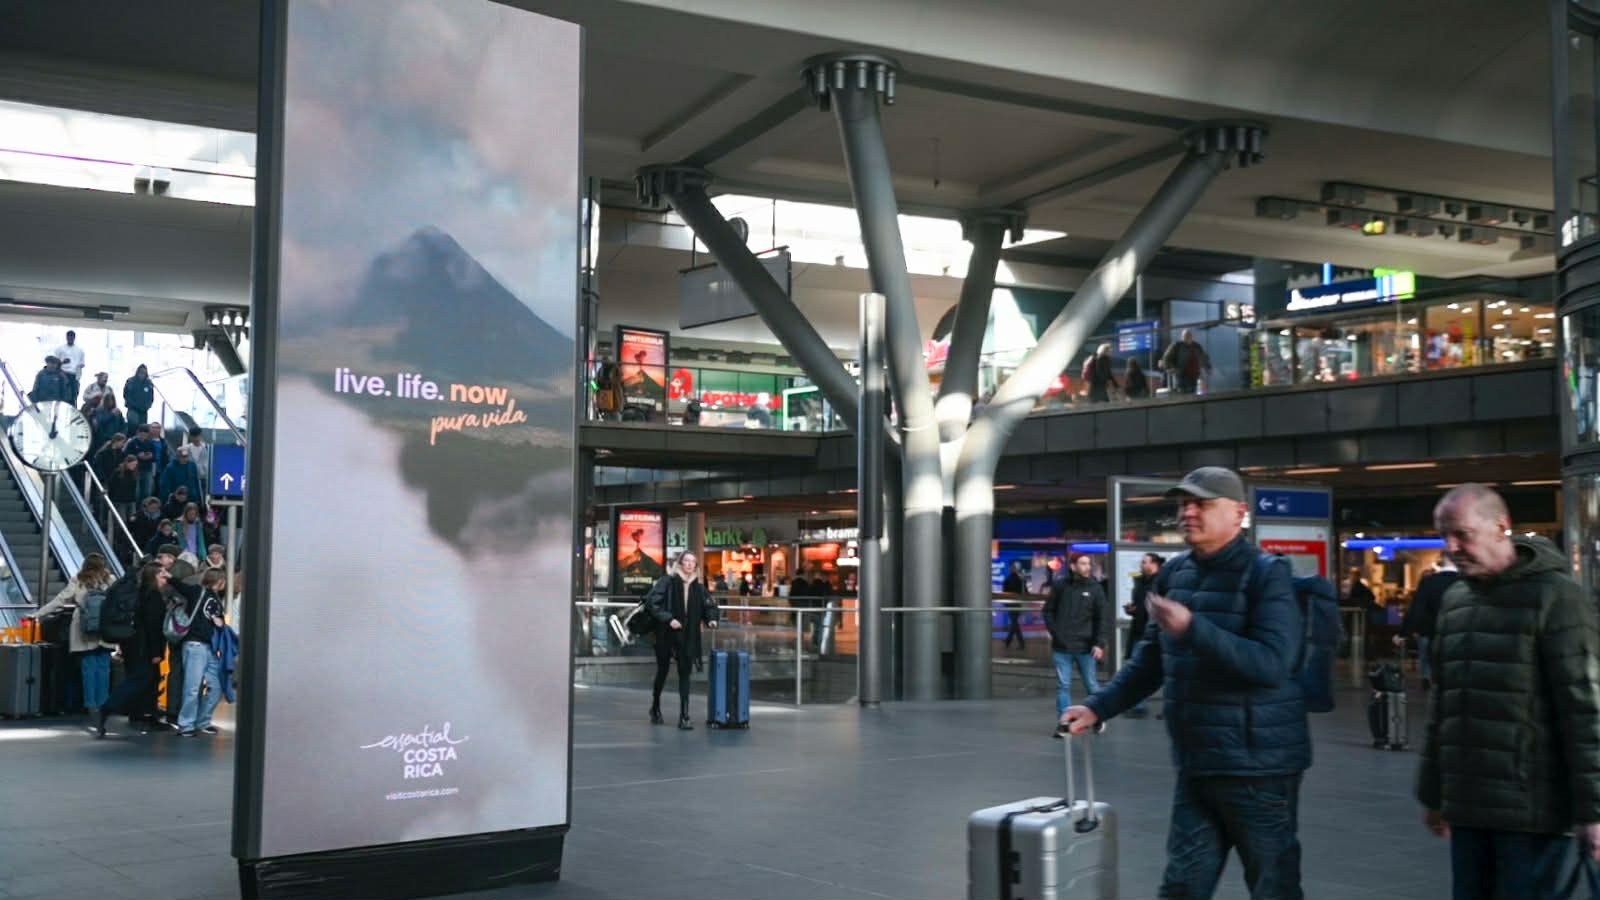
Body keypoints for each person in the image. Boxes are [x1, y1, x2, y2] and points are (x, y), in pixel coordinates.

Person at [1061, 467, 1307, 900]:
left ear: (1239, 514)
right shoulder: (1176, 575)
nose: (1188, 513)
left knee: (1273, 885)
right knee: (1182, 885)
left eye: (1203, 504)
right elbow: (1150, 661)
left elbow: (1272, 664)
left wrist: (1194, 628)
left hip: (1259, 768)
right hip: (1198, 761)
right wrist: (1098, 706)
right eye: (1182, 504)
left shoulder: (1267, 574)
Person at [1418, 484, 1600, 899]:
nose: (1451, 547)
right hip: (1468, 807)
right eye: (1443, 535)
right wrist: (1434, 792)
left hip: (1532, 812)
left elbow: (1586, 711)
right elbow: (1443, 708)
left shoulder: (1557, 598)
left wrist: (1594, 811)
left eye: (1462, 534)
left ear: (1502, 526)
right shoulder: (1457, 600)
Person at [31, 555, 118, 721]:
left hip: (84, 627)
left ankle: (90, 704)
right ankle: (104, 703)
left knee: (88, 666)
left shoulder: (78, 580)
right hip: (106, 625)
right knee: (104, 666)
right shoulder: (111, 579)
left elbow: (60, 600)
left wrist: (38, 614)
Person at [643, 552, 718, 729]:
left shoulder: (698, 587)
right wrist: (669, 619)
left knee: (685, 673)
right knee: (662, 671)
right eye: (687, 561)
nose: (690, 564)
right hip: (666, 634)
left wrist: (711, 619)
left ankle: (684, 715)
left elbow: (709, 605)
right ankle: (655, 706)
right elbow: (652, 603)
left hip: (688, 635)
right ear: (680, 563)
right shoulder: (667, 581)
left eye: (693, 561)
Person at [96, 564, 170, 738]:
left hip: (133, 644)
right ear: (155, 576)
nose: (167, 576)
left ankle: (141, 715)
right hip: (145, 648)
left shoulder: (140, 593)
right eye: (163, 574)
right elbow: (153, 627)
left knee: (142, 679)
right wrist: (156, 653)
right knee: (139, 680)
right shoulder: (153, 597)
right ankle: (108, 708)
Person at [1044, 553, 1111, 737]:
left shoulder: (1095, 588)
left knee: (1091, 684)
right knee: (1063, 685)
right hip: (1062, 646)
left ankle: (1097, 717)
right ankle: (1064, 723)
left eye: (1088, 563)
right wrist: (1056, 633)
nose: (1087, 567)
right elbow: (1048, 611)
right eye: (1083, 563)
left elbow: (1102, 618)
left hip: (1086, 647)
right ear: (1073, 566)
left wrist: (1099, 643)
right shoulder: (1060, 586)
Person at [169, 568, 228, 737]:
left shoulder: (215, 597)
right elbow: (181, 586)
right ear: (218, 580)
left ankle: (200, 721)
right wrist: (170, 577)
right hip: (195, 644)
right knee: (193, 687)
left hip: (206, 646)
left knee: (214, 686)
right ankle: (187, 724)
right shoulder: (198, 592)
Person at [1394, 559, 1457, 691]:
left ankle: (1428, 679)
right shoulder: (1467, 581)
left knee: (1428, 658)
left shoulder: (1429, 582)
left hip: (1432, 631)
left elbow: (1416, 609)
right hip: (1458, 635)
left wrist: (1404, 632)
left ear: (1441, 564)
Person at [1122, 552, 1163, 718]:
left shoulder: (1161, 582)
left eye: (1144, 562)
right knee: (1137, 669)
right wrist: (1133, 610)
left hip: (1156, 632)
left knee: (1163, 671)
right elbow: (1142, 606)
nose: (1141, 565)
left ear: (1154, 564)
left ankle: (1163, 707)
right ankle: (1138, 705)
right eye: (1141, 562)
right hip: (1140, 630)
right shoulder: (1140, 582)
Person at [1159, 329, 1212, 395]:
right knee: (1182, 392)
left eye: (1189, 336)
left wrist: (1208, 367)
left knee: (1193, 392)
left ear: (1192, 337)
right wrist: (1170, 368)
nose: (1187, 338)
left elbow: (1203, 357)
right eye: (1186, 336)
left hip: (1194, 375)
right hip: (1181, 375)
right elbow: (1166, 357)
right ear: (1182, 337)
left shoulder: (1196, 346)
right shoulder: (1177, 345)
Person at [126, 425, 160, 502]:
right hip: (136, 470)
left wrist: (150, 456)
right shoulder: (132, 443)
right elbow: (126, 455)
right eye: (142, 434)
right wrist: (137, 456)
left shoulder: (150, 443)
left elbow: (155, 457)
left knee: (147, 492)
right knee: (136, 492)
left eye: (145, 435)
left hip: (147, 469)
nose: (143, 436)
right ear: (138, 433)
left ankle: (144, 508)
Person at [52, 330, 85, 403]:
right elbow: (54, 363)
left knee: (72, 398)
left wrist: (77, 377)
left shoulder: (80, 350)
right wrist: (62, 362)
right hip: (61, 375)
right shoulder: (59, 349)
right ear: (66, 337)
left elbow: (82, 364)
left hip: (73, 376)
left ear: (74, 338)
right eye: (68, 337)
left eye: (72, 337)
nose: (70, 338)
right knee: (60, 397)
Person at [1002, 561, 1028, 650]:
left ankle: (1017, 642)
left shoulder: (1008, 580)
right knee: (1014, 623)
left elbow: (1004, 593)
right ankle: (1009, 641)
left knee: (1014, 623)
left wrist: (1005, 603)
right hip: (1016, 604)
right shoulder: (1019, 580)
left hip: (1011, 604)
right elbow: (1025, 591)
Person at [123, 364, 154, 432]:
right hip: (133, 410)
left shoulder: (148, 383)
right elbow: (126, 395)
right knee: (133, 428)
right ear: (138, 372)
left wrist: (148, 406)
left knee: (143, 429)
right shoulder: (130, 381)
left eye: (144, 373)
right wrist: (135, 405)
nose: (142, 374)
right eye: (141, 372)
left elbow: (151, 397)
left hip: (144, 411)